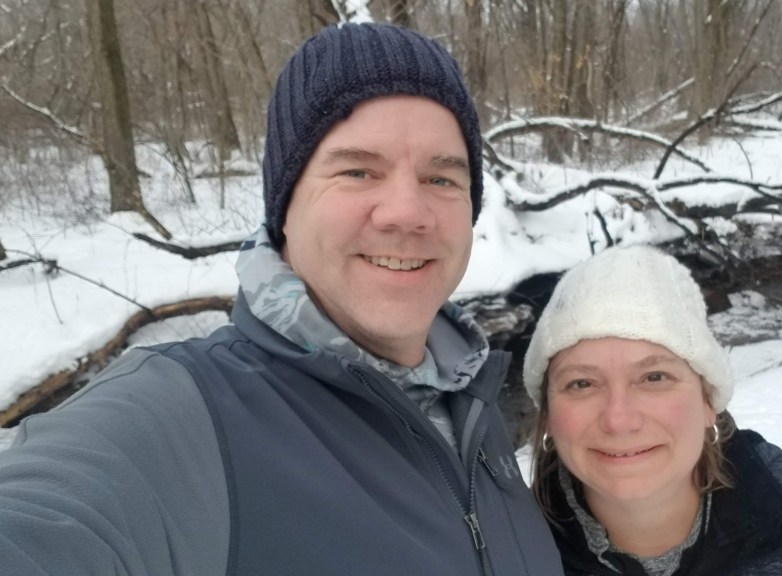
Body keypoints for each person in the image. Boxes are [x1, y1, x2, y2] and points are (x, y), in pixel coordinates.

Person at [0, 23, 563, 576]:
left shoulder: (470, 398)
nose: (407, 212)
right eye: (358, 171)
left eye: (441, 179)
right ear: (284, 208)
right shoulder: (180, 421)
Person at [522, 245, 782, 576]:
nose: (619, 419)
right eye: (582, 384)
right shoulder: (507, 550)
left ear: (708, 402)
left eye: (654, 377)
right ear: (548, 416)